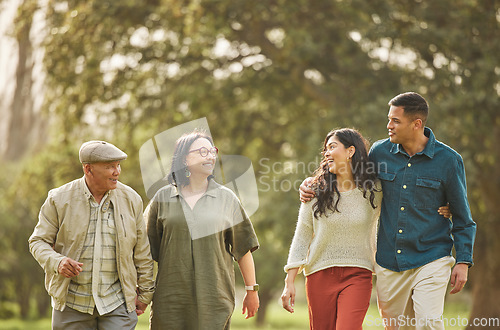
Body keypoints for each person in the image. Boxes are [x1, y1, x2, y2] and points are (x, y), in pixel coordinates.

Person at [300, 92, 476, 330]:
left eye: (395, 121)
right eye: (389, 119)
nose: (388, 126)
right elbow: (350, 176)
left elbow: (464, 218)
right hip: (389, 261)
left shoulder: (449, 161)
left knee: (428, 323)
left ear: (417, 124)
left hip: (432, 255)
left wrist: (463, 261)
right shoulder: (379, 153)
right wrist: (313, 182)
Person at [29, 140, 155, 330]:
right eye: (109, 166)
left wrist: (145, 294)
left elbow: (142, 252)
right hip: (71, 304)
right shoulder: (58, 199)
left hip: (117, 303)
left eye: (118, 165)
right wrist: (57, 262)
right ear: (88, 169)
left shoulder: (132, 199)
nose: (117, 172)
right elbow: (38, 242)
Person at [144, 130, 259, 329]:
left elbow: (243, 249)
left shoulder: (227, 198)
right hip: (170, 302)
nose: (211, 156)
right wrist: (142, 291)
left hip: (213, 302)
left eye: (212, 151)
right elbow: (143, 251)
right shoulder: (162, 198)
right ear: (184, 159)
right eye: (202, 152)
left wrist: (252, 291)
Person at [282, 128, 383, 330]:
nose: (327, 153)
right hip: (319, 275)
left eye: (332, 146)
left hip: (358, 273)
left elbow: (405, 204)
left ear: (350, 151)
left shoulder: (374, 190)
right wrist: (289, 281)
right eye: (325, 149)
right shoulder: (315, 190)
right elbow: (302, 235)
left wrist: (446, 206)